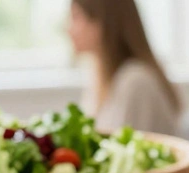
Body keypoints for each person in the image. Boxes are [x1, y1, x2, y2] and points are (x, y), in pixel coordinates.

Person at [69, 0, 181, 135]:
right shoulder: (99, 78)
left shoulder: (136, 81)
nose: (69, 29)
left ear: (104, 21)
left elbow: (126, 150)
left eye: (76, 17)